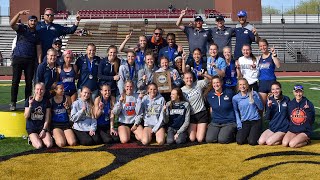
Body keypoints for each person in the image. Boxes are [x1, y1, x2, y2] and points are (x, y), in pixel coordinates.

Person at [9, 10, 42, 111]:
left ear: (36, 22)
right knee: (15, 81)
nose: (32, 22)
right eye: (31, 20)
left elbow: (39, 49)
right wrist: (18, 13)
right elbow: (11, 24)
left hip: (30, 61)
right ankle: (13, 102)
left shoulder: (37, 34)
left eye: (34, 21)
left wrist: (40, 62)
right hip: (18, 58)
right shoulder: (22, 28)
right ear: (28, 22)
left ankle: (27, 102)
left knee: (29, 83)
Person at [205, 76, 236, 144]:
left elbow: (236, 106)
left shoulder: (229, 93)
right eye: (214, 83)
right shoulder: (209, 95)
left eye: (218, 82)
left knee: (222, 140)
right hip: (215, 122)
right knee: (209, 139)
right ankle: (220, 132)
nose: (216, 85)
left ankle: (233, 134)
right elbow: (211, 108)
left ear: (221, 83)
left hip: (229, 122)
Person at [232, 78, 263, 145]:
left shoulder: (254, 93)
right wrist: (239, 123)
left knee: (252, 142)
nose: (242, 86)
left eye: (244, 84)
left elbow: (261, 107)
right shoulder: (235, 98)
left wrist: (254, 98)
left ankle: (255, 134)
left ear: (247, 85)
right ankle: (250, 134)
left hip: (255, 121)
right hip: (245, 122)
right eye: (240, 84)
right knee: (240, 141)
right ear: (238, 86)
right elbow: (236, 111)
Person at [258, 81, 290, 146]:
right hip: (273, 127)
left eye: (277, 89)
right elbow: (267, 117)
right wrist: (269, 107)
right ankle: (277, 138)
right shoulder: (270, 100)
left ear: (280, 89)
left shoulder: (286, 99)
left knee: (269, 142)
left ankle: (284, 136)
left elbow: (290, 113)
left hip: (283, 128)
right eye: (273, 89)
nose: (275, 91)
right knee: (261, 142)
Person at [181, 72, 209, 142]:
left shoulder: (198, 84)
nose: (189, 80)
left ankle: (206, 130)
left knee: (199, 139)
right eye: (187, 78)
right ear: (183, 79)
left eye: (190, 78)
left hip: (201, 113)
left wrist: (204, 75)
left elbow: (211, 80)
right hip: (191, 115)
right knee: (192, 139)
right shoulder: (181, 90)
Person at [24, 82, 53, 149]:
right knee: (39, 146)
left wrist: (44, 130)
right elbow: (26, 116)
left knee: (49, 144)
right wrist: (30, 106)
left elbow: (47, 118)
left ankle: (40, 138)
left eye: (41, 89)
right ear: (34, 90)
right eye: (37, 89)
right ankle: (30, 139)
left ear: (44, 90)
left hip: (41, 127)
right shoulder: (29, 100)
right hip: (32, 128)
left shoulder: (46, 101)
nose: (39, 91)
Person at [50, 82, 77, 147]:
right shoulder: (51, 100)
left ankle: (62, 135)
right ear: (55, 90)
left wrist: (67, 108)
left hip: (66, 124)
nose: (63, 90)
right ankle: (54, 136)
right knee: (61, 144)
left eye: (63, 88)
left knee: (72, 143)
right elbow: (49, 115)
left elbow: (70, 113)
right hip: (56, 125)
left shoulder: (67, 98)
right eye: (61, 88)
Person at [257, 39, 281, 107]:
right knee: (261, 106)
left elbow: (278, 66)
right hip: (262, 83)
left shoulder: (272, 56)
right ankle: (262, 118)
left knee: (272, 105)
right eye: (260, 46)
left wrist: (274, 55)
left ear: (267, 46)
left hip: (271, 83)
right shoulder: (259, 58)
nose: (262, 47)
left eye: (264, 45)